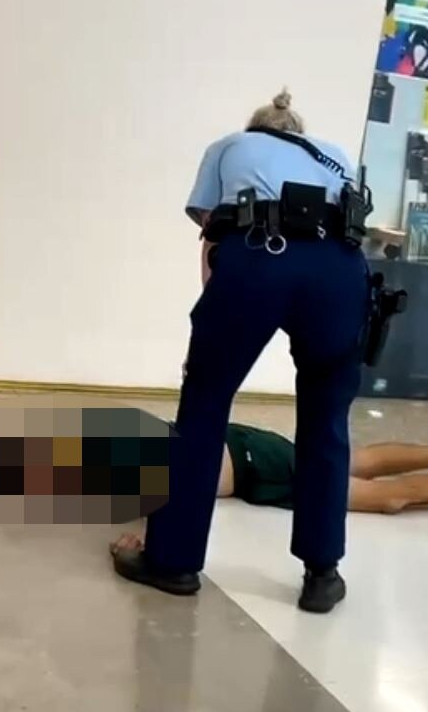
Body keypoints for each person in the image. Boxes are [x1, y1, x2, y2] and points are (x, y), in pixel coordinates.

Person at [112, 89, 374, 613]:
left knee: (204, 409)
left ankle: (174, 562)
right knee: (327, 420)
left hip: (260, 256)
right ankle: (322, 574)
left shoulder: (230, 146)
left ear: (257, 128)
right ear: (299, 131)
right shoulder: (337, 154)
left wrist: (207, 337)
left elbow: (213, 237)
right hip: (341, 274)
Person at [110, 423, 428, 555]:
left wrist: (149, 539)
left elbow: (173, 492)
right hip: (254, 452)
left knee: (384, 498)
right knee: (355, 462)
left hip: (260, 467)